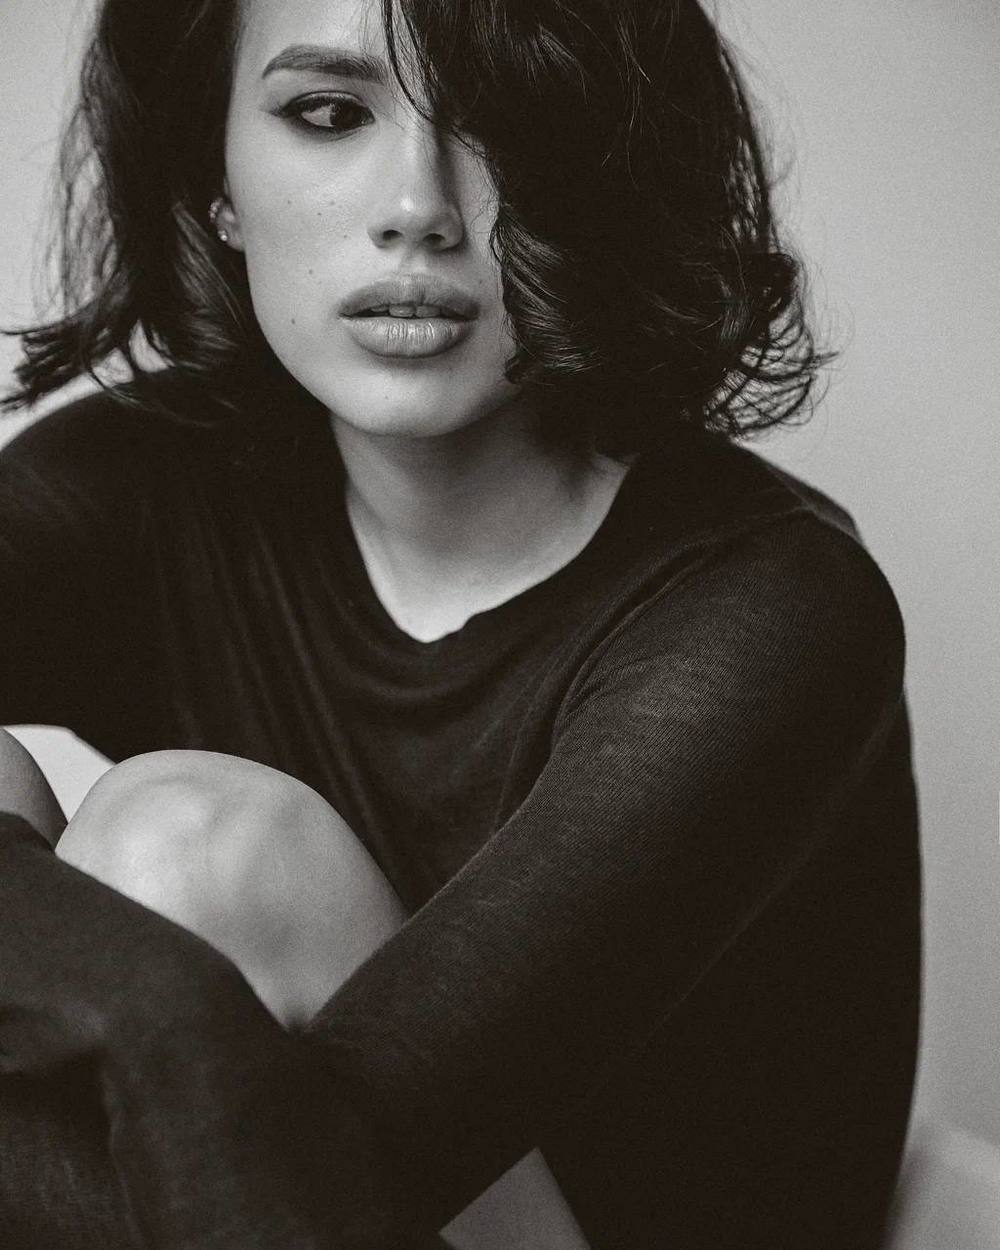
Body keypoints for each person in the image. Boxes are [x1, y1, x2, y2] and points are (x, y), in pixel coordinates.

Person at [0, 0, 921, 1246]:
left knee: (195, 848)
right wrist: (138, 1004)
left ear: (606, 167)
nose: (416, 208)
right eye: (328, 113)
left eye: (497, 120)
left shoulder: (770, 609)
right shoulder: (149, 481)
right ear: (213, 180)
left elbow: (324, 1180)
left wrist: (145, 1014)